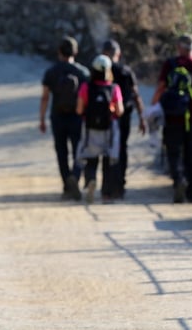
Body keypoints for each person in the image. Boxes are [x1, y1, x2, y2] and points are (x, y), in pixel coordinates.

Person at [151, 33, 192, 203]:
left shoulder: (170, 64)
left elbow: (161, 87)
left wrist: (153, 107)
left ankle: (179, 181)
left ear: (179, 47)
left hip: (172, 117)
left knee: (174, 153)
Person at [39, 36, 91, 200]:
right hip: (77, 117)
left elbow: (45, 97)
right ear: (75, 52)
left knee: (61, 152)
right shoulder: (83, 72)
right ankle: (75, 176)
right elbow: (87, 97)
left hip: (58, 117)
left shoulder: (51, 71)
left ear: (59, 52)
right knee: (78, 150)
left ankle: (67, 186)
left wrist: (41, 118)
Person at [100, 39, 146, 201]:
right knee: (121, 150)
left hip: (104, 117)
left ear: (104, 53)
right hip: (124, 116)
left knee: (107, 151)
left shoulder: (100, 69)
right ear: (117, 54)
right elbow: (136, 95)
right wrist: (142, 118)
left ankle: (106, 190)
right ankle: (119, 187)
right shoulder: (126, 71)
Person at [75, 54, 124, 204]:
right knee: (108, 161)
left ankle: (91, 180)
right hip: (109, 129)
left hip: (90, 129)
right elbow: (120, 111)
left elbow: (79, 109)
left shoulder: (86, 87)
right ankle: (106, 194)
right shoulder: (114, 88)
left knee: (91, 159)